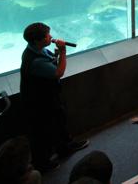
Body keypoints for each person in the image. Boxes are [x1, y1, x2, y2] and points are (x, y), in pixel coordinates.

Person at [20, 22, 89, 171]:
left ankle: (65, 147)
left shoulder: (39, 50)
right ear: (38, 40)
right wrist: (63, 52)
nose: (51, 37)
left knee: (59, 120)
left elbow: (52, 62)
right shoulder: (35, 60)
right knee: (42, 131)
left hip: (49, 96)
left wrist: (56, 53)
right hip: (38, 102)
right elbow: (58, 72)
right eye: (47, 35)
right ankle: (42, 164)